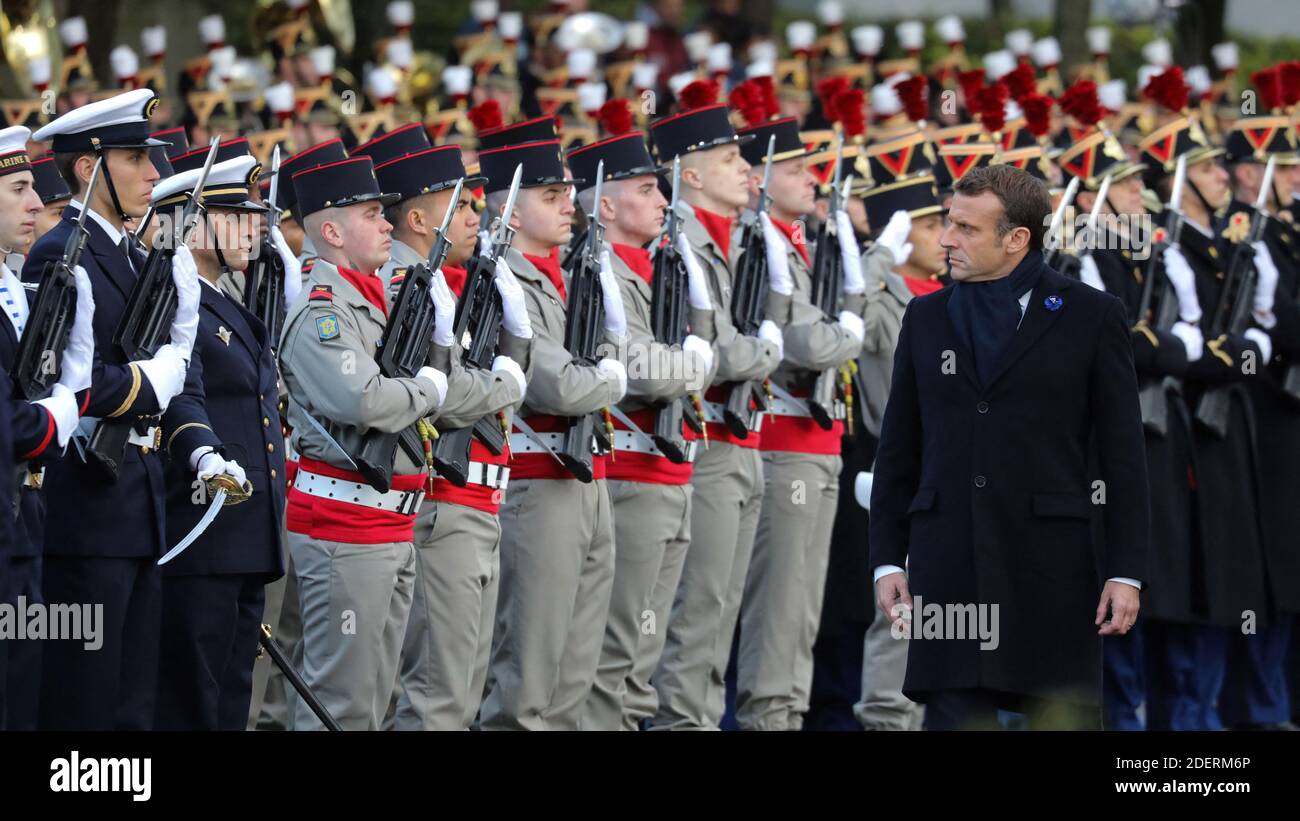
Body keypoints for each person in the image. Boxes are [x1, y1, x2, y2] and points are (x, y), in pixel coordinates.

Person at [870, 164, 1149, 730]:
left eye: (967, 228)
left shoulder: (1092, 316)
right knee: (952, 718)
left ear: (1017, 238)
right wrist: (885, 559)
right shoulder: (924, 317)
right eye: (950, 223)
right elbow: (900, 448)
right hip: (948, 564)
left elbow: (1123, 458)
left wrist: (1127, 571)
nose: (947, 238)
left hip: (1052, 567)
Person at [27, 89, 199, 730]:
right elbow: (54, 382)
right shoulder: (60, 252)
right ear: (87, 166)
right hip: (89, 509)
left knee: (133, 704)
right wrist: (145, 380)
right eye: (134, 157)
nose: (154, 173)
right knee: (85, 702)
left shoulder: (130, 256)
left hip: (138, 505)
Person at [278, 154, 452, 730]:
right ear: (331, 232)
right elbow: (364, 400)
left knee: (373, 700)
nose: (388, 225)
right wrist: (429, 387)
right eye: (373, 214)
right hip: (346, 526)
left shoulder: (368, 299)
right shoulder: (322, 309)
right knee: (341, 705)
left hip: (386, 525)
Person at [373, 143, 534, 730]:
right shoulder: (401, 283)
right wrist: (506, 382)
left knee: (461, 697)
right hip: (441, 504)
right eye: (459, 205)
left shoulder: (452, 280)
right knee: (435, 697)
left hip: (478, 501)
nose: (476, 217)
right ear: (418, 220)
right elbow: (441, 390)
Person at [567, 129, 718, 730]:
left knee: (643, 659)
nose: (664, 202)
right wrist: (696, 365)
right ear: (606, 205)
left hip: (669, 469)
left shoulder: (655, 268)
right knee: (615, 654)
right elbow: (639, 369)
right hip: (631, 474)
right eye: (648, 190)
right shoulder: (595, 270)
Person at [477, 138, 628, 730]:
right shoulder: (504, 280)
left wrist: (605, 372)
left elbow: (598, 364)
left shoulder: (564, 275)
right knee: (528, 675)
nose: (570, 204)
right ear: (511, 211)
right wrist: (611, 376)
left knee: (575, 674)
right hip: (538, 482)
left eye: (568, 192)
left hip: (586, 476)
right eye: (551, 195)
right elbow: (558, 386)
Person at [646, 97, 783, 730]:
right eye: (730, 160)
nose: (748, 171)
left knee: (723, 607)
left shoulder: (740, 234)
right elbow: (716, 350)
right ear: (690, 175)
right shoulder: (674, 241)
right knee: (696, 612)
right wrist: (766, 350)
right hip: (701, 444)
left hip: (741, 438)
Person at [730, 116, 864, 731]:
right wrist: (849, 330)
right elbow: (805, 342)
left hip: (820, 437)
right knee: (777, 613)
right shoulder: (752, 241)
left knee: (803, 614)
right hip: (782, 442)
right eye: (793, 169)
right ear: (757, 178)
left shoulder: (797, 238)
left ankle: (784, 718)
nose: (809, 179)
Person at [151, 155, 289, 730]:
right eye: (235, 215)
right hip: (203, 528)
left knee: (231, 694)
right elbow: (184, 395)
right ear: (193, 224)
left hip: (245, 532)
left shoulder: (224, 299)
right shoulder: (174, 299)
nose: (254, 227)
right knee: (192, 699)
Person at [0, 125, 96, 729]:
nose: (37, 203)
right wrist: (60, 411)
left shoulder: (16, 288)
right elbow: (11, 423)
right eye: (18, 189)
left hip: (24, 524)